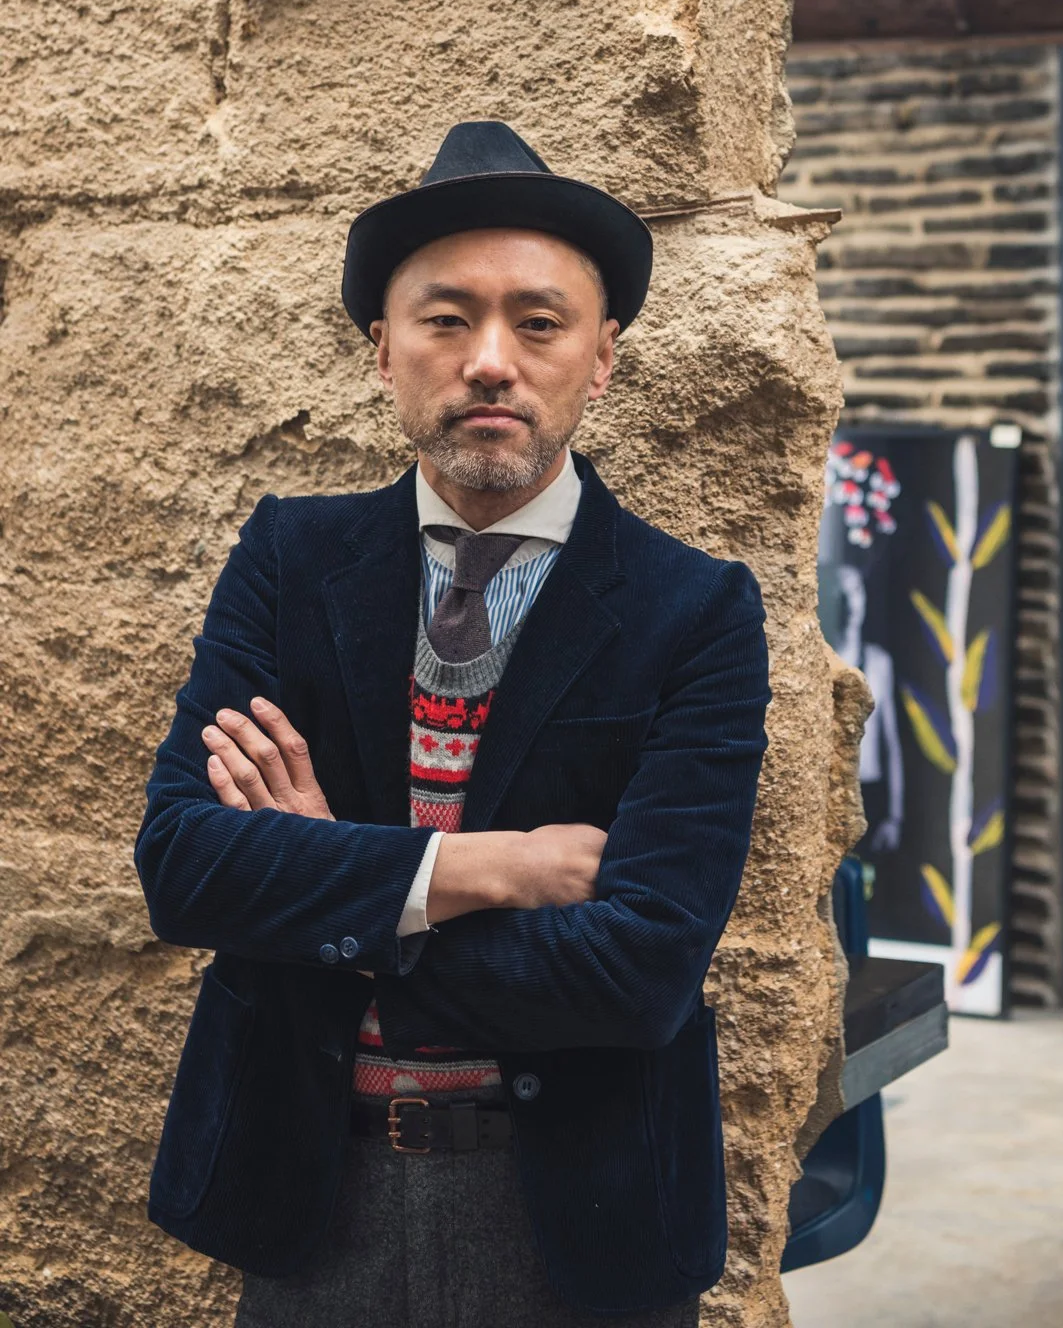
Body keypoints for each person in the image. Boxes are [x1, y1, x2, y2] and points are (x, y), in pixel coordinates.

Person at [135, 120, 770, 1328]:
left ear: (603, 356)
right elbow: (185, 864)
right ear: (383, 348)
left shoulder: (695, 609)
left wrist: (337, 879)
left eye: (539, 322)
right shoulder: (289, 558)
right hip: (314, 1197)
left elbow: (642, 972)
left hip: (578, 1209)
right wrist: (489, 868)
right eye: (445, 318)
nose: (490, 360)